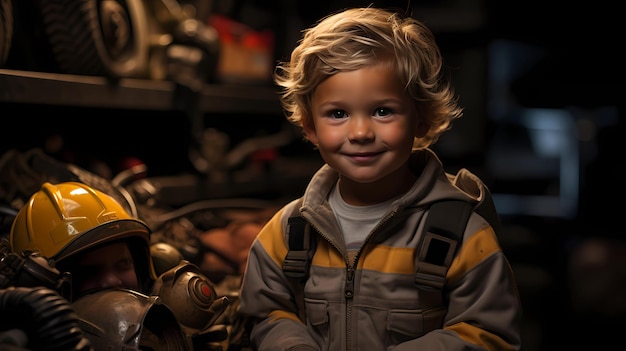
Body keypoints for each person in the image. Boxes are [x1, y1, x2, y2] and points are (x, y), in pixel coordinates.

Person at [237, 6, 523, 351]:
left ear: (422, 119)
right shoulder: (288, 231)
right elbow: (265, 311)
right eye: (338, 114)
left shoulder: (462, 235)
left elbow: (488, 334)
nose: (360, 132)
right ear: (310, 126)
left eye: (382, 111)